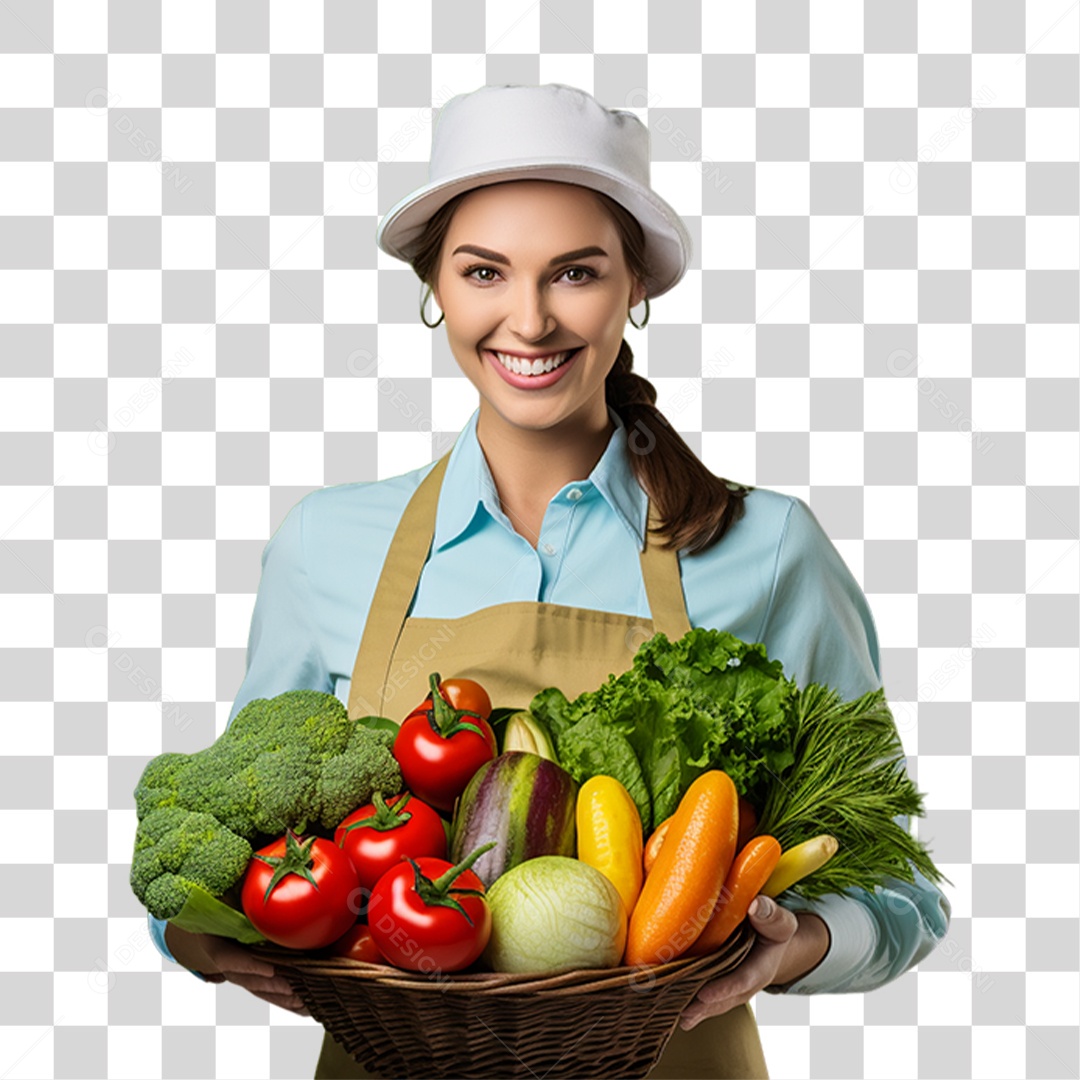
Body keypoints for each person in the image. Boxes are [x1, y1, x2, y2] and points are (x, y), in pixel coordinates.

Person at [149, 83, 951, 1079]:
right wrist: (197, 936)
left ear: (636, 291)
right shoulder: (327, 542)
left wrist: (802, 945)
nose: (527, 320)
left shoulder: (769, 547)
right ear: (436, 287)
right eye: (485, 272)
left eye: (575, 273)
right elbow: (226, 839)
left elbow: (903, 892)